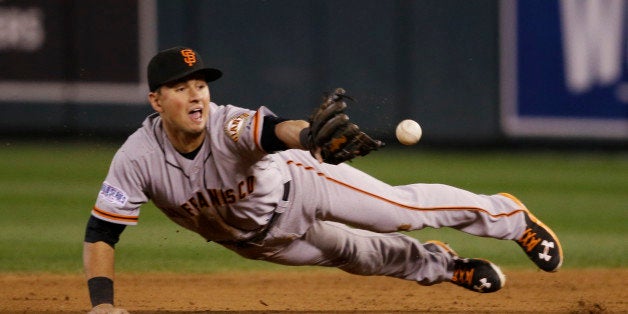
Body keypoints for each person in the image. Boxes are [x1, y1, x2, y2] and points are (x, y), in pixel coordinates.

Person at [83, 46, 563, 313]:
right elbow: (103, 230)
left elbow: (274, 131)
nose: (196, 95)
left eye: (201, 85)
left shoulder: (224, 123)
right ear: (155, 101)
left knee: (399, 212)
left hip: (301, 182)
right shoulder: (137, 158)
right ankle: (443, 266)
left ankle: (510, 217)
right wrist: (102, 305)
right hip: (258, 242)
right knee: (360, 256)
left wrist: (310, 135)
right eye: (181, 87)